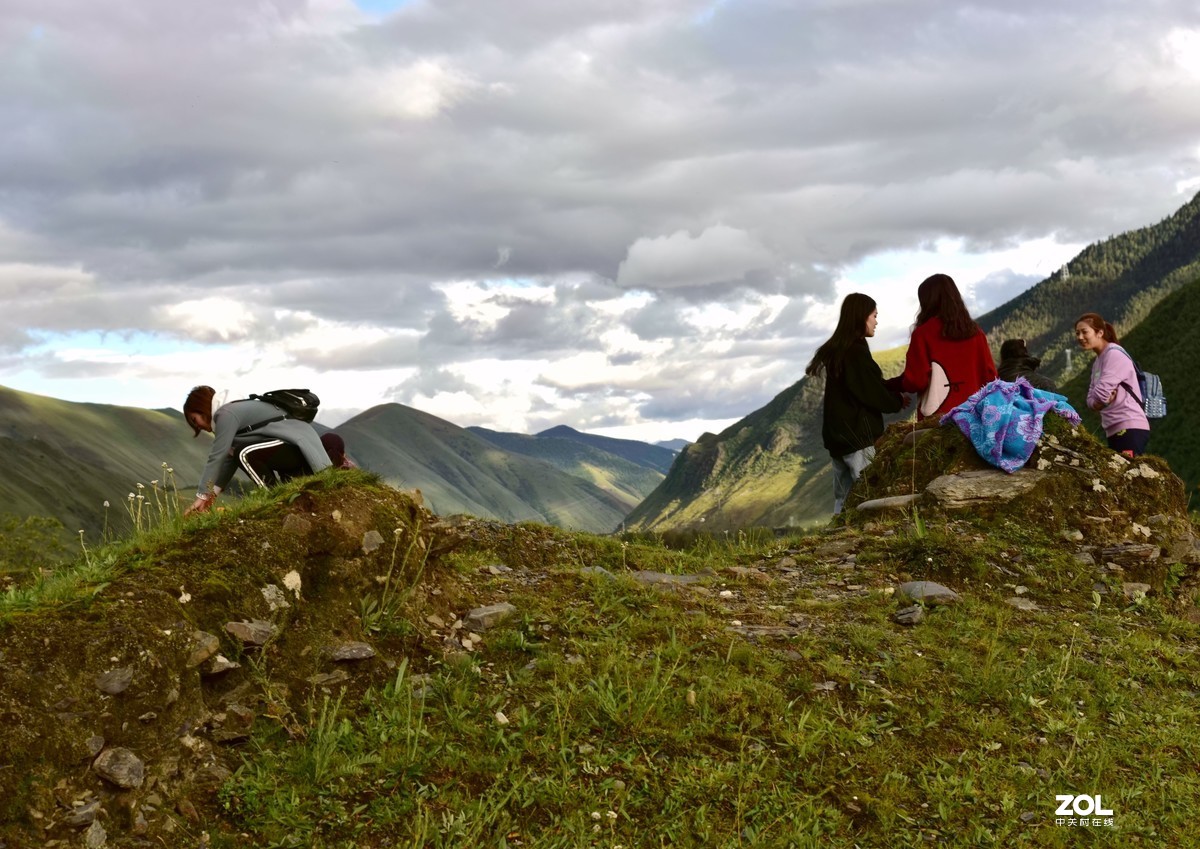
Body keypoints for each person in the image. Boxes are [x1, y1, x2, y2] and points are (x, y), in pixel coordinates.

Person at [806, 293, 909, 514]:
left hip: (838, 437)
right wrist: (896, 401)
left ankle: (837, 536)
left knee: (843, 498)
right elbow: (869, 390)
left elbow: (865, 384)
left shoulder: (839, 351)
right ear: (861, 316)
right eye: (874, 315)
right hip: (858, 436)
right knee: (868, 493)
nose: (876, 321)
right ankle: (869, 534)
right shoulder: (855, 352)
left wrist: (892, 392)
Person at [182, 385, 332, 515]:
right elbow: (228, 459)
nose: (198, 427)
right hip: (293, 450)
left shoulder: (227, 413)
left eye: (195, 420)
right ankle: (282, 498)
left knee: (243, 453)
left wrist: (202, 495)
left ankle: (277, 500)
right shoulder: (232, 411)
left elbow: (217, 455)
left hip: (297, 447)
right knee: (239, 452)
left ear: (202, 408)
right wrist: (210, 497)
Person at [886, 273, 997, 419]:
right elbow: (992, 377)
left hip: (937, 420)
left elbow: (915, 381)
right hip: (975, 417)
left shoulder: (923, 334)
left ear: (927, 302)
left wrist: (893, 386)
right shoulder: (976, 333)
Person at [1074, 313, 1150, 457]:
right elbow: (1090, 400)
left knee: (1127, 476)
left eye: (1084, 332)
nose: (1080, 337)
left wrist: (1099, 400)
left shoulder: (1114, 355)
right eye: (1077, 333)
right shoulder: (1098, 362)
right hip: (1113, 428)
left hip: (1129, 425)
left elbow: (1099, 395)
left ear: (1099, 332)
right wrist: (1098, 401)